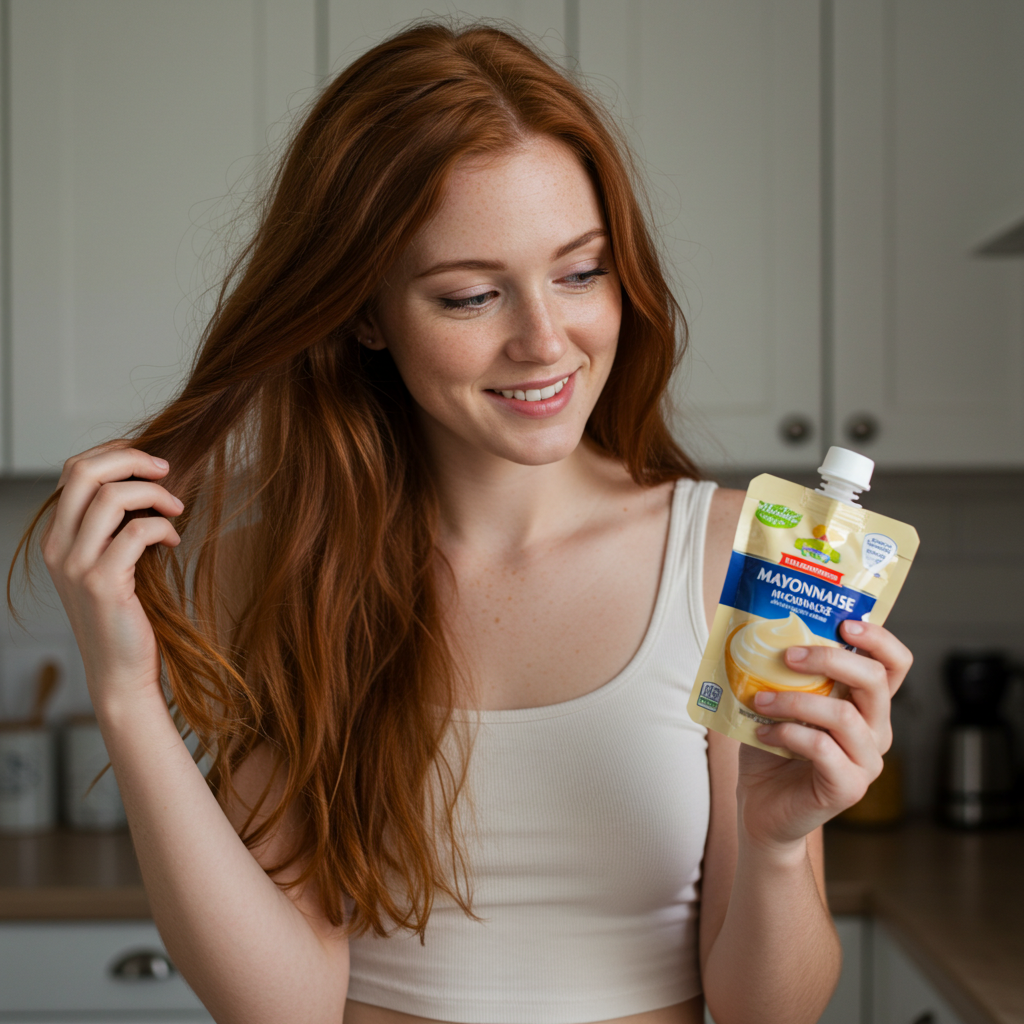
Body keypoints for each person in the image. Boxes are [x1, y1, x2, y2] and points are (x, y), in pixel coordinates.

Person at [21, 22, 911, 1024]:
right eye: (470, 294)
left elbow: (767, 1015)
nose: (545, 341)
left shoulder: (734, 558)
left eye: (580, 272)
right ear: (364, 312)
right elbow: (284, 1009)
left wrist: (779, 840)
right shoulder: (278, 572)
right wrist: (129, 694)